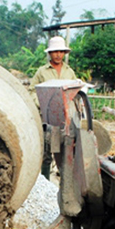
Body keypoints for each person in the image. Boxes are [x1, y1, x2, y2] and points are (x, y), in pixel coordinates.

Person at [30, 36, 77, 179]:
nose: (58, 55)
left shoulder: (69, 72)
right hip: (46, 119)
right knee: (46, 152)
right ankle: (45, 180)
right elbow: (32, 90)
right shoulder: (42, 72)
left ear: (64, 53)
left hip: (64, 120)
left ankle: (65, 183)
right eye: (55, 52)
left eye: (61, 52)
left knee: (64, 151)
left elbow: (75, 92)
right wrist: (41, 103)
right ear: (50, 53)